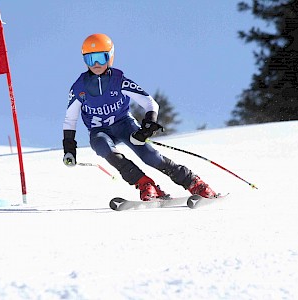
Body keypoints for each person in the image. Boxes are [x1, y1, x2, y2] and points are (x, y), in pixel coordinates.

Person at [62, 33, 217, 201]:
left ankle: (194, 182)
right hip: (99, 130)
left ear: (110, 57)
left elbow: (151, 103)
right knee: (100, 145)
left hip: (124, 125)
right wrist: (69, 148)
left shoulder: (119, 81)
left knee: (150, 156)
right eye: (91, 59)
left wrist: (148, 126)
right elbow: (70, 120)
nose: (97, 64)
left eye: (101, 57)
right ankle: (145, 184)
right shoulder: (79, 88)